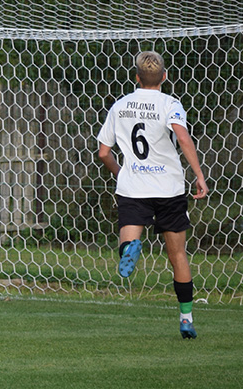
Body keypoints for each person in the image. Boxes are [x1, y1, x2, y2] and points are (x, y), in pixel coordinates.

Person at [97, 51, 208, 339]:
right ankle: (186, 319)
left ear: (136, 77)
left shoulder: (120, 106)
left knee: (129, 236)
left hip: (134, 187)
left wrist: (122, 173)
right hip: (168, 188)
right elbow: (182, 138)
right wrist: (199, 175)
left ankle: (129, 249)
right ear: (164, 76)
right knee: (177, 255)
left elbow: (103, 152)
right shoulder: (170, 104)